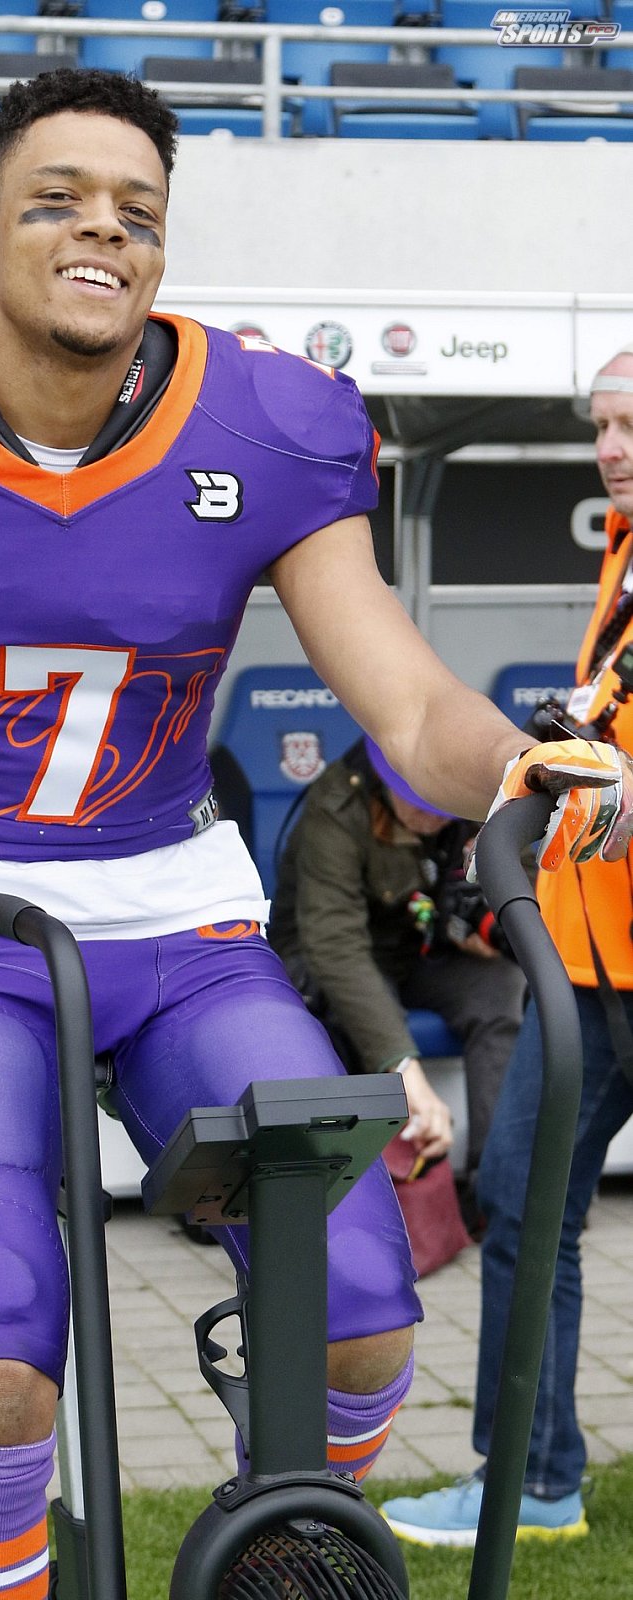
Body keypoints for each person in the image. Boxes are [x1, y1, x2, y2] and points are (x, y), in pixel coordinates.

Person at [0, 70, 633, 1598]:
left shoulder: (261, 422)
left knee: (359, 1318)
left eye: (136, 212)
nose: (100, 233)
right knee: (0, 1361)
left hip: (182, 925)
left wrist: (514, 762)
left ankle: (278, 1556)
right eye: (56, 201)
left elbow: (407, 708)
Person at [380, 342, 633, 1546]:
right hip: (581, 968)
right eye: (599, 425)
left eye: (628, 424)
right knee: (520, 1203)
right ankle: (531, 1481)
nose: (609, 448)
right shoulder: (619, 555)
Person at [269, 734, 527, 1197]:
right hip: (337, 962)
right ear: (385, 783)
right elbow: (335, 945)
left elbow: (524, 871)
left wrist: (477, 921)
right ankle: (366, 1198)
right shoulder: (337, 806)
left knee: (499, 987)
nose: (435, 818)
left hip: (419, 953)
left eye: (442, 805)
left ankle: (498, 1192)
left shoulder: (469, 798)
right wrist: (404, 1069)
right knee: (356, 1011)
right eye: (419, 805)